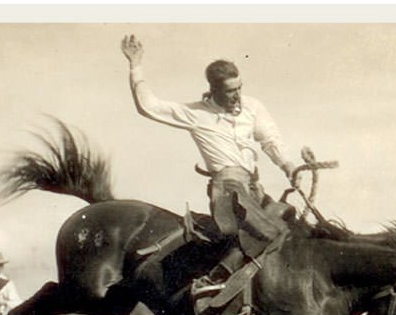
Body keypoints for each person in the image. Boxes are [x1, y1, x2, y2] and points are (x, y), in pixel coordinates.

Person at [120, 34, 298, 294]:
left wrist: (288, 165)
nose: (237, 95)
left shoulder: (253, 107)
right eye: (230, 91)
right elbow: (149, 107)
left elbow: (269, 140)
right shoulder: (196, 114)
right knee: (266, 232)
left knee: (287, 223)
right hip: (227, 188)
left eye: (239, 88)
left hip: (253, 186)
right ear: (213, 90)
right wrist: (135, 65)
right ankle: (213, 280)